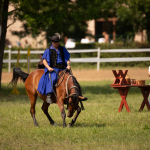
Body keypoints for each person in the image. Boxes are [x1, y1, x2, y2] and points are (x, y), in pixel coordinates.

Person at [37, 33, 71, 104]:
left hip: (63, 68)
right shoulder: (48, 50)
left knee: (70, 78)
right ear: (52, 42)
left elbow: (67, 58)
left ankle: (72, 93)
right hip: (53, 69)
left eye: (57, 42)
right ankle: (49, 95)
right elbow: (44, 60)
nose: (56, 43)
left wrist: (68, 64)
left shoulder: (63, 49)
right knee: (53, 78)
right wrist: (48, 67)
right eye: (55, 42)